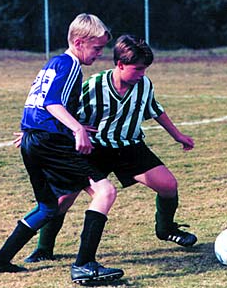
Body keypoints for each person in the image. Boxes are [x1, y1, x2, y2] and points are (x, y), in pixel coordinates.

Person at [22, 34, 197, 265]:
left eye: (145, 69)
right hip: (94, 151)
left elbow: (155, 109)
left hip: (129, 147)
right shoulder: (93, 86)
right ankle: (44, 248)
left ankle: (165, 229)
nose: (142, 74)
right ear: (120, 64)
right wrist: (34, 131)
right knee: (63, 199)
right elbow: (61, 110)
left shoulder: (143, 84)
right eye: (137, 69)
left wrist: (177, 135)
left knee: (168, 185)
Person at [0, 13, 124, 285]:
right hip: (49, 142)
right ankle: (85, 265)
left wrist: (36, 132)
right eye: (97, 48)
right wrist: (76, 129)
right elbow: (52, 102)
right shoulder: (71, 65)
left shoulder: (53, 63)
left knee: (48, 207)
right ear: (79, 42)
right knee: (105, 190)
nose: (100, 54)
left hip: (34, 141)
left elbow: (37, 105)